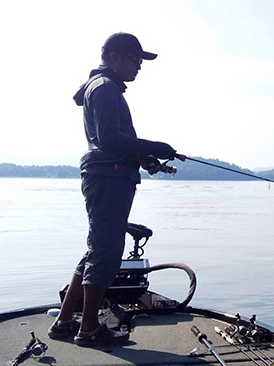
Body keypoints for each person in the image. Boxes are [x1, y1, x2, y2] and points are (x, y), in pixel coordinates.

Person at [48, 32, 185, 346]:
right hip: (108, 179)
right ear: (114, 58)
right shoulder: (107, 89)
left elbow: (112, 142)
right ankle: (90, 329)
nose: (139, 66)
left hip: (108, 175)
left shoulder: (103, 88)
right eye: (135, 60)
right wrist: (157, 145)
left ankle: (66, 320)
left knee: (97, 250)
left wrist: (144, 157)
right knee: (107, 252)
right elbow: (109, 139)